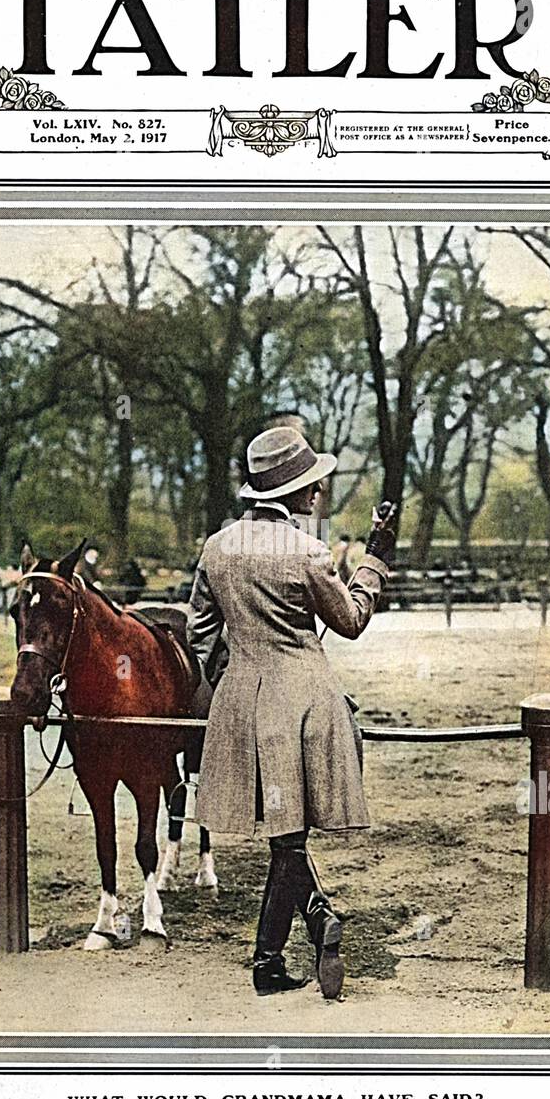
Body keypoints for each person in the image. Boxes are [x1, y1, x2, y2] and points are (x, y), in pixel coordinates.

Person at [187, 426, 396, 1000]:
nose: (318, 494)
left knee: (283, 835)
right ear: (293, 492)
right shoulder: (308, 551)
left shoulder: (217, 547)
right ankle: (300, 929)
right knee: (291, 834)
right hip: (302, 700)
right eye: (311, 485)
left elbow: (199, 633)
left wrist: (227, 680)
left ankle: (274, 956)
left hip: (240, 702)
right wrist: (376, 558)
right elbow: (351, 620)